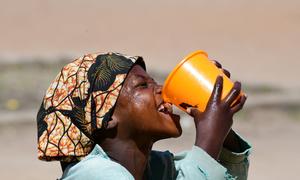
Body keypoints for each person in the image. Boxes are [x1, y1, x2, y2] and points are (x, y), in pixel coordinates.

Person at [37, 52, 251, 180]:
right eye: (143, 86)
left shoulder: (153, 168)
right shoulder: (92, 174)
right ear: (107, 116)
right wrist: (209, 139)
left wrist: (220, 126)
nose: (161, 90)